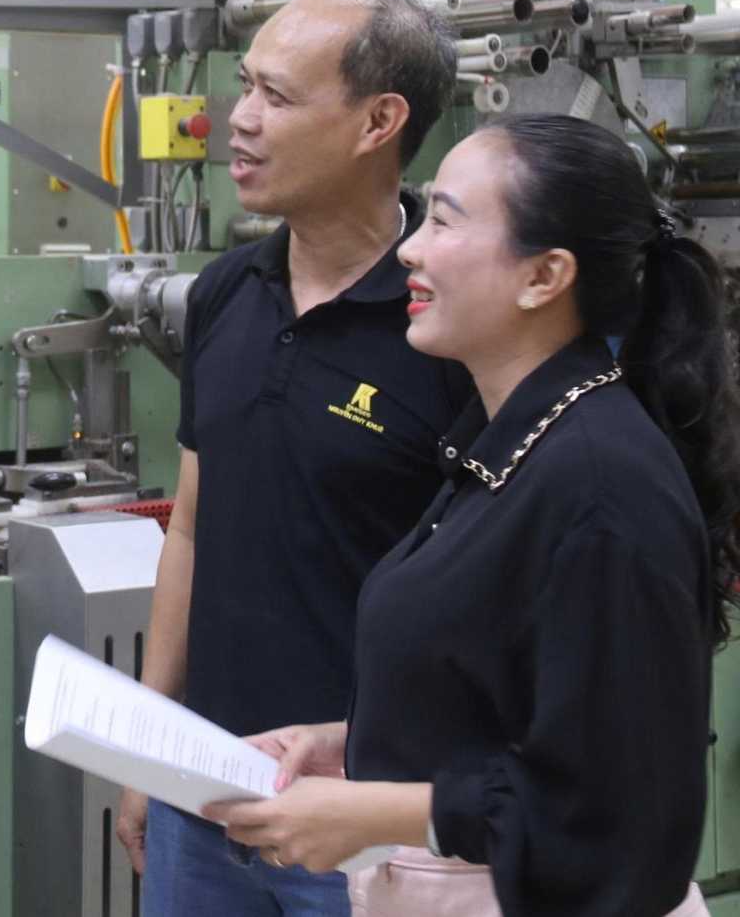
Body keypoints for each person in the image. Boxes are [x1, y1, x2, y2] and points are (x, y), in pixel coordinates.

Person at [207, 114, 733, 917]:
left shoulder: (598, 485)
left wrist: (378, 809)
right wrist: (352, 744)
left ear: (543, 275)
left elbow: (614, 820)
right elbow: (507, 699)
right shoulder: (511, 439)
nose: (411, 248)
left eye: (446, 221)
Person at [119, 0, 472, 916]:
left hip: (363, 819)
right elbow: (190, 529)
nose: (239, 121)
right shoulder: (226, 292)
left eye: (277, 97)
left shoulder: (447, 325)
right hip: (206, 792)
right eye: (245, 87)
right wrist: (149, 745)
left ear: (377, 122)